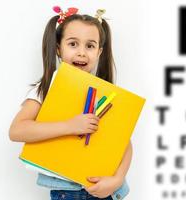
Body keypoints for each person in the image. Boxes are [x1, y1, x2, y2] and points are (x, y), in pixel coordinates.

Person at [9, 6, 131, 200]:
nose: (82, 53)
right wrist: (70, 126)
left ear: (99, 52)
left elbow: (124, 143)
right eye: (73, 44)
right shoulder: (47, 88)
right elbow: (17, 131)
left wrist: (117, 179)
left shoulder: (107, 94)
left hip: (106, 190)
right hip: (68, 192)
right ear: (58, 48)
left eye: (90, 46)